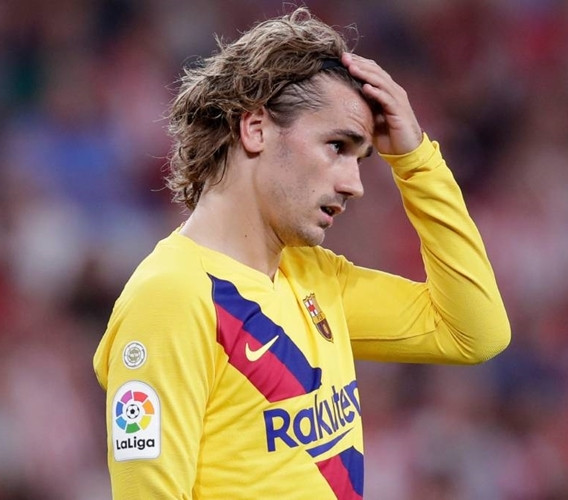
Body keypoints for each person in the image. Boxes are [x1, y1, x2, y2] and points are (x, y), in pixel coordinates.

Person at [93, 7, 510, 499]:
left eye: (361, 158)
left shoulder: (314, 278)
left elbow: (474, 331)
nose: (355, 184)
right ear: (255, 128)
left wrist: (415, 160)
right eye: (337, 146)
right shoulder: (171, 298)